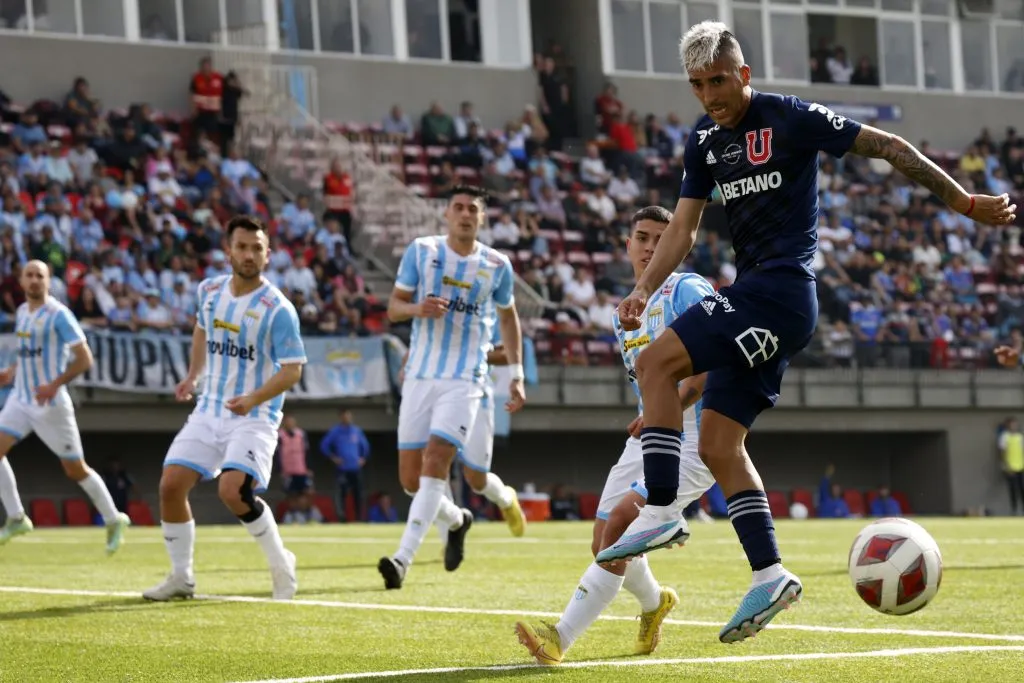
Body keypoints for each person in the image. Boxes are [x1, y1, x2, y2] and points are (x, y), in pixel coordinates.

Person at [603, 21, 1016, 645]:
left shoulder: (790, 117)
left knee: (656, 362)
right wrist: (642, 291)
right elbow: (683, 230)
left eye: (719, 81)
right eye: (697, 85)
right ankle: (770, 575)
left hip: (780, 294)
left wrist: (962, 202)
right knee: (717, 444)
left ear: (743, 74)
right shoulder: (705, 142)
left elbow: (889, 145)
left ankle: (661, 508)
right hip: (760, 300)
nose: (710, 95)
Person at [515, 206, 716, 665]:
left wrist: (666, 409)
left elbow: (711, 368)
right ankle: (655, 602)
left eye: (661, 239)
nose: (650, 247)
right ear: (627, 245)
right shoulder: (623, 312)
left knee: (622, 524)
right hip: (650, 434)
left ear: (677, 244)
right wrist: (651, 415)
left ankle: (559, 638)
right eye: (642, 238)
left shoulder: (688, 290)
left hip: (694, 436)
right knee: (603, 540)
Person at [142, 216, 306, 602]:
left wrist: (253, 398)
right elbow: (202, 329)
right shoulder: (210, 290)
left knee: (233, 491)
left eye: (257, 248)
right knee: (170, 486)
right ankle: (181, 577)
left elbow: (293, 370)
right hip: (209, 409)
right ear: (228, 250)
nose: (249, 255)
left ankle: (281, 564)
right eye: (242, 247)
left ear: (267, 255)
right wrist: (193, 376)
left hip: (254, 416)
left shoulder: (278, 309)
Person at [378, 184, 526, 590]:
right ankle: (459, 519)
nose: (464, 214)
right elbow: (393, 308)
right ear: (446, 214)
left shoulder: (496, 264)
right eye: (458, 207)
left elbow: (508, 317)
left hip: (467, 378)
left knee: (446, 463)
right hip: (420, 376)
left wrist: (516, 373)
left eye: (472, 209)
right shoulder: (421, 251)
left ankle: (402, 559)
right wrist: (417, 308)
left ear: (481, 218)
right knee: (411, 480)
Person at [0, 260, 130, 551]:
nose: (35, 280)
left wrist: (54, 384)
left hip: (51, 404)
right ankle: (17, 517)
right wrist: (11, 372)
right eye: (30, 275)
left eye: (40, 275)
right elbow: (28, 352)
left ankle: (114, 518)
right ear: (21, 281)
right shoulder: (21, 312)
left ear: (49, 281)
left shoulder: (59, 315)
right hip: (21, 398)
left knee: (75, 469)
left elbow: (84, 359)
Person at [320, 409, 370, 522]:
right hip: (342, 469)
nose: (347, 418)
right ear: (341, 417)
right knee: (340, 494)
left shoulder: (356, 431)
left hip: (356, 468)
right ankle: (341, 518)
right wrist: (333, 458)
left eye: (348, 416)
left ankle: (359, 518)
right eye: (344, 416)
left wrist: (363, 458)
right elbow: (324, 446)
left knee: (358, 494)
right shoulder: (335, 431)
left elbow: (365, 447)